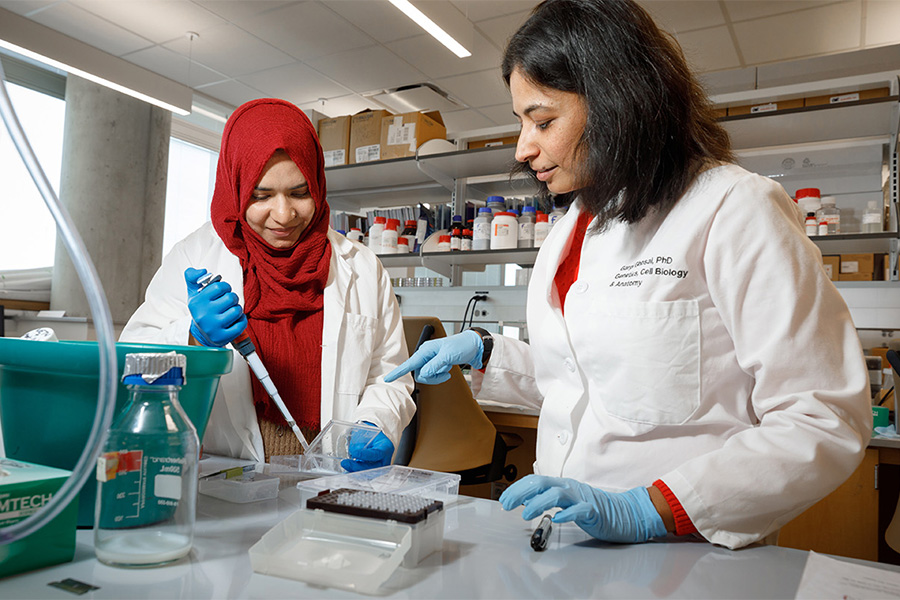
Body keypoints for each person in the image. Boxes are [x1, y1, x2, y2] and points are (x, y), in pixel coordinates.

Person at [386, 0, 871, 549]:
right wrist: (485, 351)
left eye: (543, 121)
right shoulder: (572, 228)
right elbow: (588, 377)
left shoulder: (734, 208)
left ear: (619, 102)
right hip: (565, 545)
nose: (524, 147)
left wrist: (651, 507)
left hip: (685, 555)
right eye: (522, 122)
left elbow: (823, 415)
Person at [121, 98, 414, 470]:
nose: (284, 214)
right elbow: (130, 362)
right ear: (236, 186)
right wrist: (193, 338)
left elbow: (389, 374)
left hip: (330, 476)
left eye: (299, 192)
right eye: (261, 196)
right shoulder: (195, 256)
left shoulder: (363, 268)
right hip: (227, 481)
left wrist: (378, 422)